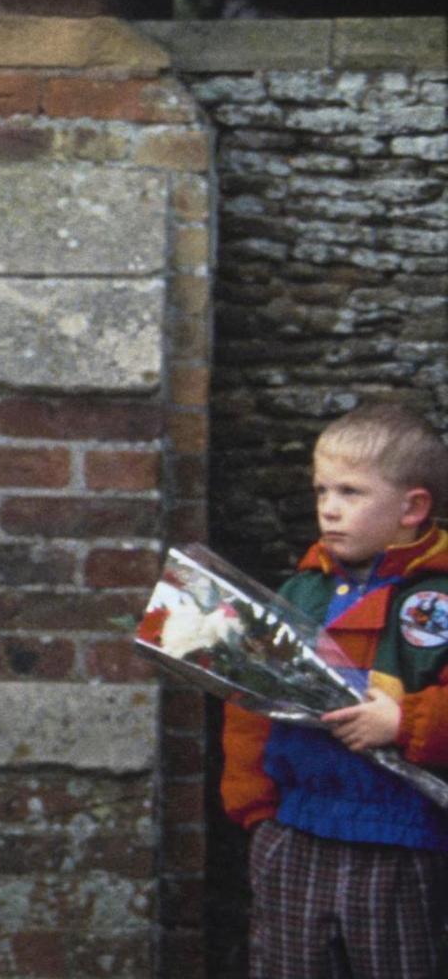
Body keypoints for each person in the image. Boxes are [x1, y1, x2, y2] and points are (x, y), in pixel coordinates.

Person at [222, 402, 448, 978]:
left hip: (402, 837)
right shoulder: (299, 592)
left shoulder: (438, 597)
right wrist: (256, 811)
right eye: (321, 491)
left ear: (412, 508)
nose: (329, 509)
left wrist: (405, 723)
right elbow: (249, 707)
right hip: (294, 829)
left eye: (351, 492)